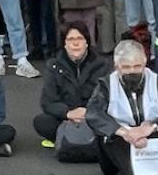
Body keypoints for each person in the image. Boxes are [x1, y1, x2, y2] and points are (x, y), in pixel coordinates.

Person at [89, 38, 158, 175]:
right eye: (126, 67)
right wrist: (125, 132)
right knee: (108, 135)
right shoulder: (106, 85)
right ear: (117, 66)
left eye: (137, 66)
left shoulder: (157, 81)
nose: (132, 71)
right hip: (119, 147)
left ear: (145, 63)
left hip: (148, 140)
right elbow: (93, 113)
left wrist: (150, 127)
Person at [35, 21, 107, 160]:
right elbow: (47, 102)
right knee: (41, 122)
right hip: (66, 118)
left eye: (80, 39)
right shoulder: (54, 65)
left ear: (87, 42)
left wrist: (87, 113)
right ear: (65, 44)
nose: (75, 43)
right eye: (71, 39)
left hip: (92, 117)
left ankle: (70, 138)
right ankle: (77, 137)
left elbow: (107, 97)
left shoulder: (102, 64)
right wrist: (68, 113)